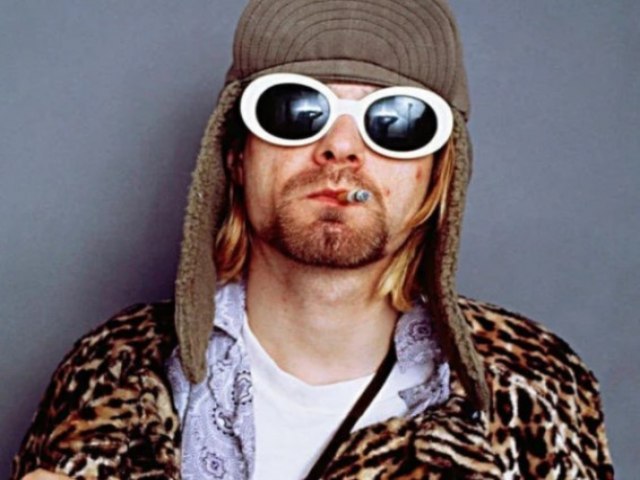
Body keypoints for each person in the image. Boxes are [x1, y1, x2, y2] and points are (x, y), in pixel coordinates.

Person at [13, 0, 615, 479]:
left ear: (438, 176)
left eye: (396, 122)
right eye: (295, 111)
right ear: (236, 157)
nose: (341, 149)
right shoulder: (113, 368)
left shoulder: (534, 388)